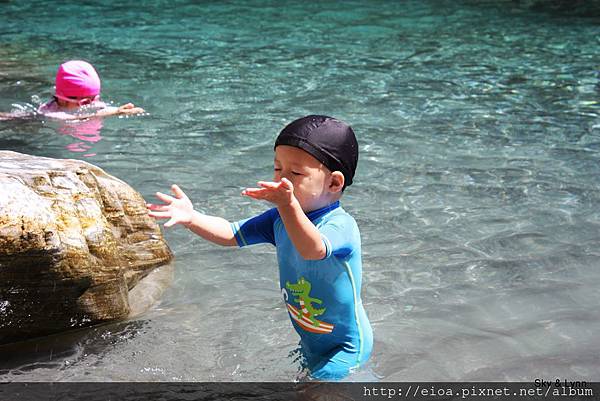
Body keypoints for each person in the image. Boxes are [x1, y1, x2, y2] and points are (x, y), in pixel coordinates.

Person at [147, 115, 373, 380]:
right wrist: (192, 217)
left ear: (334, 183)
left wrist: (287, 206)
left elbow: (312, 249)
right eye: (278, 169)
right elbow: (231, 233)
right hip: (311, 343)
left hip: (345, 347)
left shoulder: (340, 225)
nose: (282, 180)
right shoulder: (279, 219)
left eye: (295, 173)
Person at [37, 59, 144, 120]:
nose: (90, 105)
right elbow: (70, 118)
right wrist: (112, 113)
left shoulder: (90, 103)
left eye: (94, 99)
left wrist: (118, 110)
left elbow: (99, 110)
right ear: (62, 100)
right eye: (85, 102)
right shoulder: (49, 111)